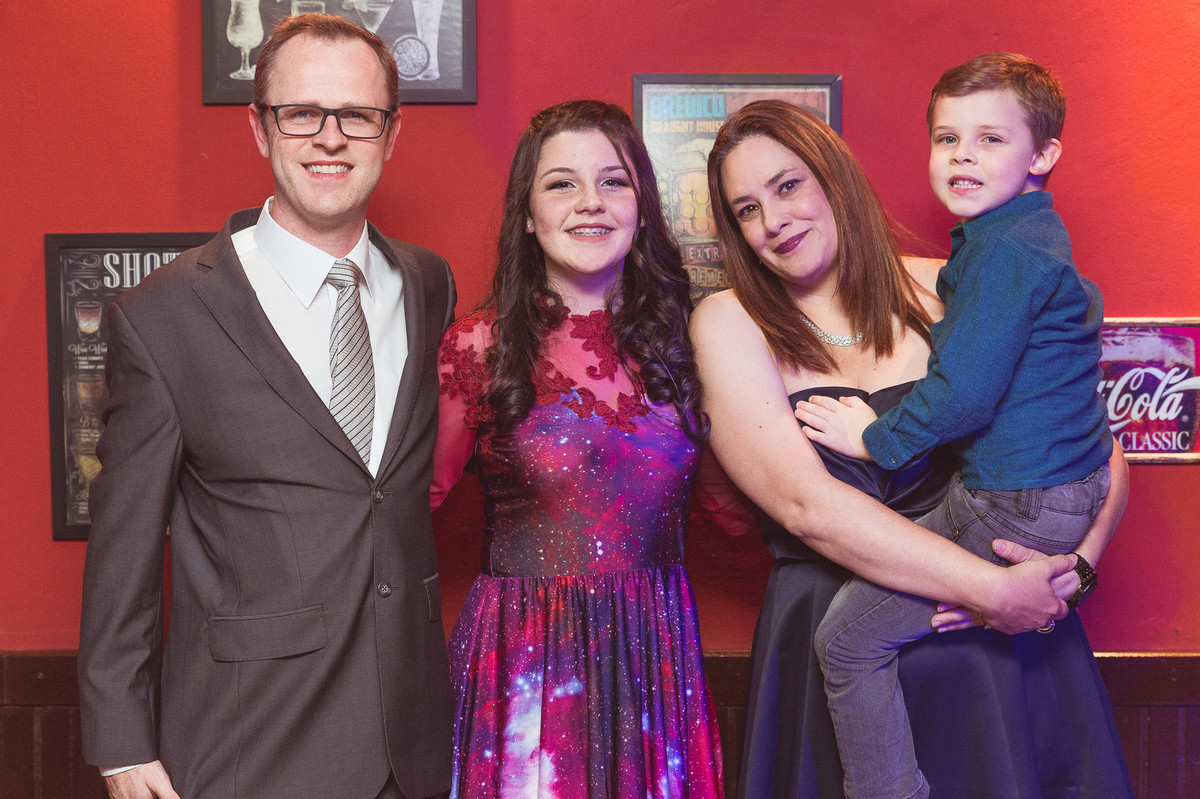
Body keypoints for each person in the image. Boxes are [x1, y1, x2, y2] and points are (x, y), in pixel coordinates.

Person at [692, 99, 1132, 798]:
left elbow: (1089, 445)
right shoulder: (727, 321)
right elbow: (807, 506)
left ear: (834, 178)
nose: (773, 220)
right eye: (747, 209)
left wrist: (1074, 567)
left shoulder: (953, 280)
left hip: (990, 655)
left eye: (787, 185)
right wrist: (991, 590)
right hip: (841, 645)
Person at [77, 14, 455, 799]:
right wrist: (120, 745)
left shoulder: (427, 283)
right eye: (300, 113)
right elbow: (124, 552)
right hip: (250, 746)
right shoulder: (163, 315)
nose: (330, 138)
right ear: (259, 128)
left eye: (357, 115)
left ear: (392, 134)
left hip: (411, 741)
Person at [796, 53, 1115, 798]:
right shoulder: (1029, 237)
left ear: (1043, 155)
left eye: (990, 139)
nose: (962, 155)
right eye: (947, 139)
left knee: (844, 638)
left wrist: (871, 437)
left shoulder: (1004, 251)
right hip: (1055, 487)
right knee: (906, 553)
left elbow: (965, 396)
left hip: (1016, 501)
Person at [431, 100, 726, 797]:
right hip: (524, 662)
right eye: (562, 183)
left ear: (644, 207)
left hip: (654, 658)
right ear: (528, 216)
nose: (590, 202)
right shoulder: (479, 345)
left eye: (613, 181)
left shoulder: (696, 342)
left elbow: (742, 505)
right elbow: (420, 496)